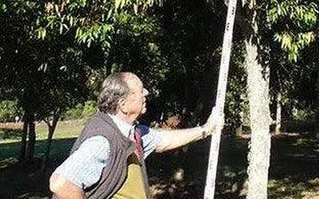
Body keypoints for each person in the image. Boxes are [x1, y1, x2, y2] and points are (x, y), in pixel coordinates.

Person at [50, 72, 221, 199]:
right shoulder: (104, 140)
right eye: (140, 91)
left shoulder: (132, 132)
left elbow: (163, 140)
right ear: (123, 105)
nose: (146, 93)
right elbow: (61, 183)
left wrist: (206, 129)